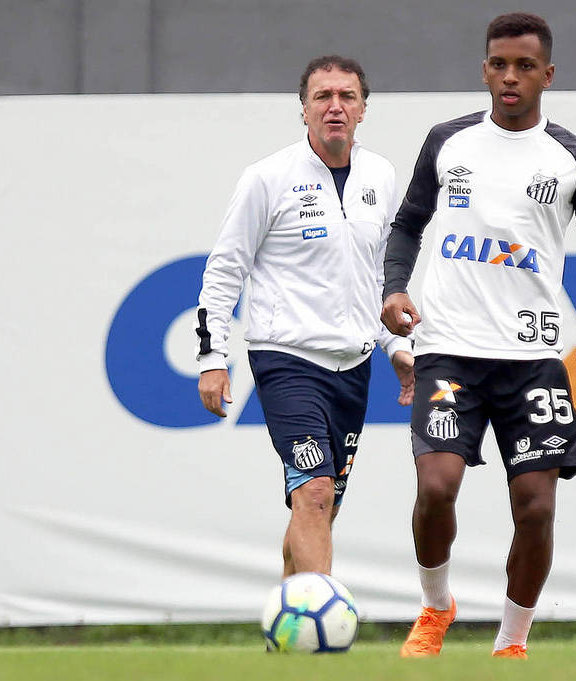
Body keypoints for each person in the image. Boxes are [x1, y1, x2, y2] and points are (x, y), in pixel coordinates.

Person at [381, 13, 576, 659]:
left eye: (524, 66)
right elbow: (407, 225)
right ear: (484, 69)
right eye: (499, 64)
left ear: (548, 75)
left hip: (532, 360)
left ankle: (511, 642)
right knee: (436, 486)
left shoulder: (575, 161)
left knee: (536, 508)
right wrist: (394, 287)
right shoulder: (448, 142)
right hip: (449, 350)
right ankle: (435, 607)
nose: (510, 76)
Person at [195, 55, 414, 579]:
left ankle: (291, 616)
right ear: (304, 109)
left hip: (353, 364)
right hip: (286, 359)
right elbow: (225, 270)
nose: (335, 106)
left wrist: (398, 348)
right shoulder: (266, 178)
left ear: (363, 109)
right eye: (323, 97)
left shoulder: (381, 175)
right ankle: (323, 618)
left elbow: (379, 278)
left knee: (320, 505)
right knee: (314, 491)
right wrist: (212, 357)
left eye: (347, 96)